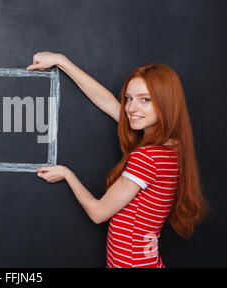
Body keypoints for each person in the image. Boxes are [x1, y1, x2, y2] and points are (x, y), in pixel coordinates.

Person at [26, 52, 208, 268]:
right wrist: (61, 62)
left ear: (166, 103)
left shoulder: (146, 158)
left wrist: (68, 175)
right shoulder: (172, 147)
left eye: (145, 100)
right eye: (129, 98)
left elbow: (98, 213)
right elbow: (107, 101)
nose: (132, 108)